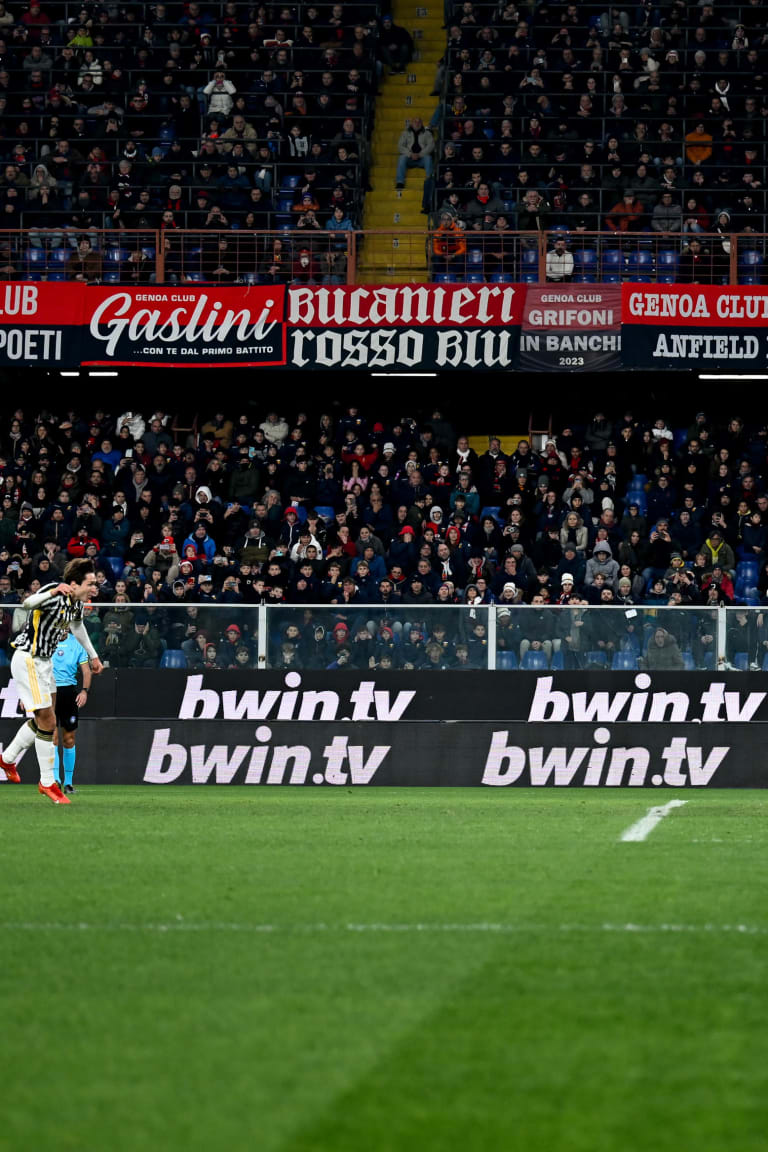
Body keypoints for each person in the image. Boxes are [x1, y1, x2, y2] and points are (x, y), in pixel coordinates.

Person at [0, 557, 103, 804]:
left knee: (43, 720)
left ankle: (8, 758)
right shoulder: (55, 592)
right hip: (28, 658)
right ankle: (47, 783)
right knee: (48, 719)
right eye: (90, 583)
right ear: (74, 583)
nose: (93, 587)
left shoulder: (77, 604)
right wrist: (52, 591)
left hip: (45, 663)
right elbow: (26, 604)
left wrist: (93, 655)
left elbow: (78, 627)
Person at [51, 630, 92, 794]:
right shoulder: (46, 640)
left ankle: (68, 783)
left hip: (69, 693)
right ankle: (55, 780)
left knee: (69, 738)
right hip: (50, 691)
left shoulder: (77, 643)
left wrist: (84, 691)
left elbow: (86, 671)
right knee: (52, 737)